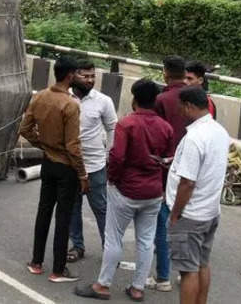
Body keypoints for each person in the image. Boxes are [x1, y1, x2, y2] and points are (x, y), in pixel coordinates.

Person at [74, 79, 174, 301]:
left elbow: (117, 157)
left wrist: (113, 180)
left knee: (114, 238)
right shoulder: (166, 127)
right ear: (155, 100)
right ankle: (138, 287)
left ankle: (102, 285)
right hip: (154, 192)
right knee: (146, 240)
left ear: (134, 99)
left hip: (126, 190)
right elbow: (168, 161)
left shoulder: (127, 124)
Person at [20, 56, 88, 283]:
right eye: (77, 73)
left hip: (47, 162)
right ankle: (58, 270)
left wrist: (43, 144)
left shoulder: (40, 96)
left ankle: (36, 262)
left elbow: (25, 129)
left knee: (43, 212)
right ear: (70, 75)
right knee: (63, 218)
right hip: (66, 168)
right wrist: (82, 173)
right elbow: (73, 146)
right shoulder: (70, 104)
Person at [166, 86, 231, 304]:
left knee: (187, 271)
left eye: (181, 108)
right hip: (210, 212)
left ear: (190, 106)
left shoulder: (195, 137)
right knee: (202, 263)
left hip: (190, 215)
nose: (180, 112)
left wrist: (175, 214)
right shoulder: (220, 131)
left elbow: (187, 182)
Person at [67, 60, 117, 263]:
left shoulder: (103, 101)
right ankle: (77, 246)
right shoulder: (65, 98)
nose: (90, 80)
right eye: (84, 76)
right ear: (73, 76)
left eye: (92, 76)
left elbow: (112, 127)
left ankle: (109, 248)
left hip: (95, 166)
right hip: (69, 165)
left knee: (101, 208)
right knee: (72, 207)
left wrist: (109, 155)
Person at [148, 55, 188, 292]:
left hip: (167, 169)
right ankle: (186, 272)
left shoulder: (162, 99)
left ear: (165, 72)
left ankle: (162, 276)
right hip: (193, 170)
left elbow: (157, 135)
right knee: (185, 220)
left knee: (163, 222)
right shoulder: (200, 98)